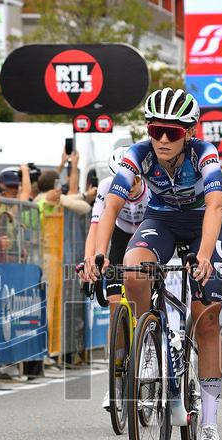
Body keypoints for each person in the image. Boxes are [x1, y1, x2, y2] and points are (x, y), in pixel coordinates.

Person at [84, 88, 222, 440]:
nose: (163, 138)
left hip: (201, 225)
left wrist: (205, 255)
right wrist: (99, 253)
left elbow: (215, 206)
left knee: (206, 318)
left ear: (189, 132)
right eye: (156, 129)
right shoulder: (137, 154)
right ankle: (150, 342)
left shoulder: (205, 155)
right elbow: (111, 204)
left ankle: (209, 424)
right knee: (133, 270)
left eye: (173, 132)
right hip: (161, 221)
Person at [83, 146, 150, 410]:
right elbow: (97, 226)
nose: (129, 187)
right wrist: (92, 258)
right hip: (121, 238)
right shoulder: (107, 186)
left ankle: (150, 360)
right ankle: (117, 381)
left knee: (146, 297)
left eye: (133, 180)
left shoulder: (152, 184)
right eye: (123, 181)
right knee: (115, 304)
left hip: (148, 236)